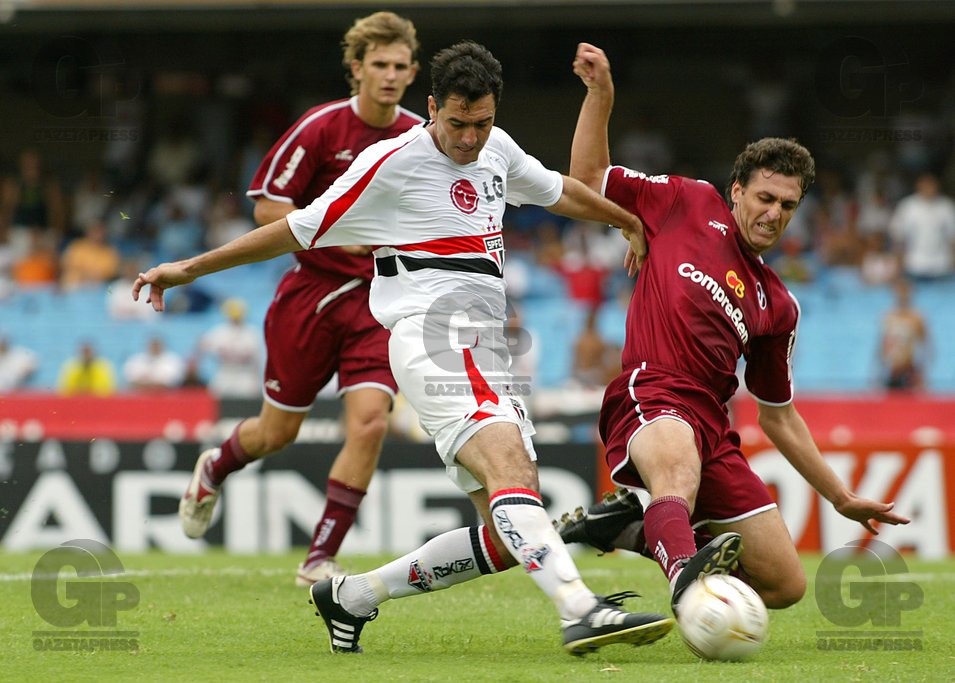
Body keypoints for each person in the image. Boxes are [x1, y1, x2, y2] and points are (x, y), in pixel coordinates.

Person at [133, 40, 670, 657]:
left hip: (484, 346)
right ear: (433, 107)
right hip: (434, 336)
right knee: (515, 476)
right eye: (458, 124)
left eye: (483, 123)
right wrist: (189, 269)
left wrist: (623, 220)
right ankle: (581, 610)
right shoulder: (389, 164)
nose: (470, 139)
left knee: (505, 533)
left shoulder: (497, 148)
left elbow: (559, 192)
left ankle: (353, 595)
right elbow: (291, 228)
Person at [555, 43, 910, 616]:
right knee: (675, 475)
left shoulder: (779, 303)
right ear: (737, 190)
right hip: (653, 391)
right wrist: (601, 95)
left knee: (784, 585)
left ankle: (628, 528)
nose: (774, 213)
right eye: (765, 197)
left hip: (713, 426)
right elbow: (588, 179)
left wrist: (840, 496)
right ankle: (689, 595)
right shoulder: (687, 203)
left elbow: (778, 414)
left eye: (788, 206)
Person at [167, 12, 426, 587]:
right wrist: (342, 234)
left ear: (412, 73)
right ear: (356, 68)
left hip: (379, 303)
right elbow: (266, 208)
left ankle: (319, 558)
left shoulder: (420, 136)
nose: (388, 75)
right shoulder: (321, 128)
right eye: (378, 65)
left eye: (399, 66)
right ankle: (216, 464)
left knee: (370, 425)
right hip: (310, 298)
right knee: (275, 433)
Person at [196, 298, 263, 398]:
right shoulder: (220, 331)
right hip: (225, 371)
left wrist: (256, 378)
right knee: (213, 393)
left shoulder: (251, 333)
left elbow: (257, 360)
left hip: (244, 373)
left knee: (249, 395)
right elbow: (202, 346)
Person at [879, 278, 929, 391]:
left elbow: (925, 346)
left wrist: (923, 372)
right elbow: (882, 345)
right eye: (899, 292)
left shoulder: (917, 318)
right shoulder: (889, 317)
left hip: (909, 370)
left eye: (905, 292)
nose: (902, 295)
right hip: (891, 370)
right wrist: (878, 371)